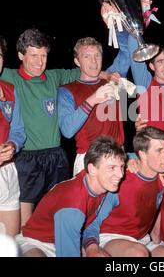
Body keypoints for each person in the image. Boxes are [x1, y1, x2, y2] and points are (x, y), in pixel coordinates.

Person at [0, 28, 119, 226]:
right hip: (26, 157)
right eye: (34, 55)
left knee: (59, 207)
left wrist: (105, 74)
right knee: (25, 215)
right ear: (21, 55)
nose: (40, 62)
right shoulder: (10, 78)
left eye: (44, 55)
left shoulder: (55, 77)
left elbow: (79, 71)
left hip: (56, 155)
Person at [82, 126, 164, 257]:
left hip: (142, 240)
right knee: (138, 254)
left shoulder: (163, 172)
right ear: (142, 154)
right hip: (111, 238)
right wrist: (91, 247)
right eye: (159, 151)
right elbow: (92, 223)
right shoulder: (120, 181)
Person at [14, 136, 126, 257]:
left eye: (122, 167)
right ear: (92, 169)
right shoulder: (73, 202)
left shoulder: (98, 183)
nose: (120, 174)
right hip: (37, 242)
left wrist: (91, 245)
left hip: (71, 239)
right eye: (112, 168)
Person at [58, 31, 131, 176]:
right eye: (87, 56)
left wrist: (116, 26)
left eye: (97, 55)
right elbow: (67, 130)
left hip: (118, 155)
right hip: (89, 159)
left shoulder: (112, 79)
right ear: (77, 61)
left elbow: (127, 51)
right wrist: (93, 100)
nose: (93, 61)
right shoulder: (67, 91)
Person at [0, 36, 26, 237]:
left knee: (11, 242)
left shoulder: (9, 90)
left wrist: (13, 145)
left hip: (8, 170)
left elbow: (18, 129)